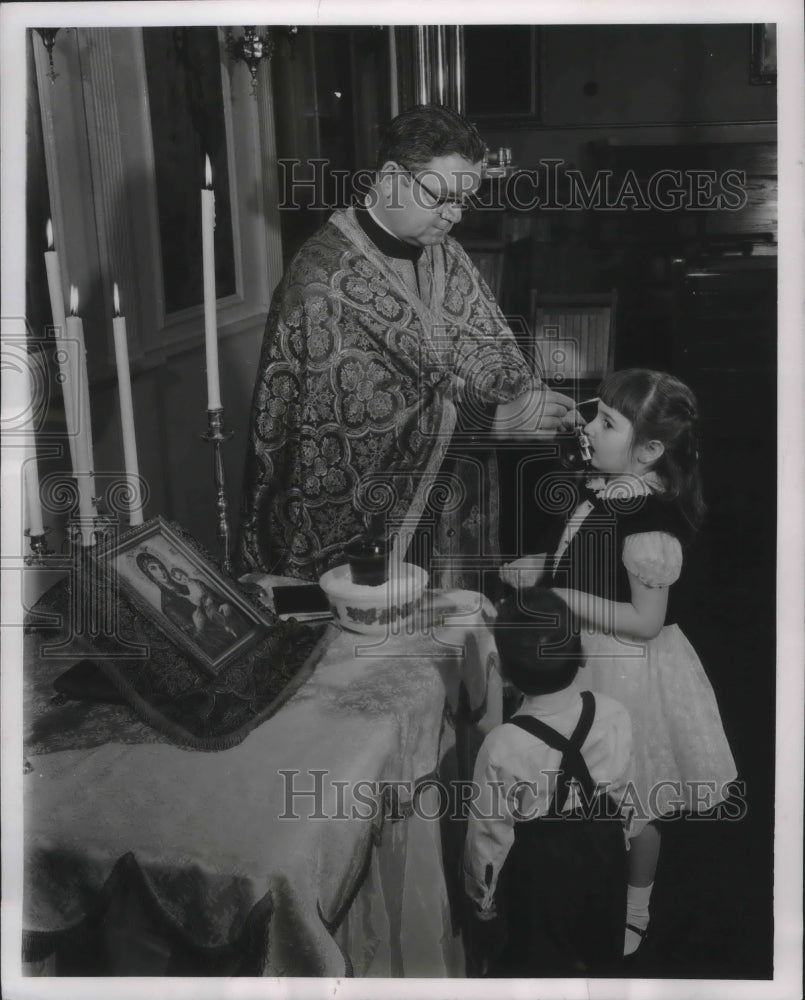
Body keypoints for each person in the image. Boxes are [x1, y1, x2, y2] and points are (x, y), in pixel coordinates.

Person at [237, 104, 575, 583]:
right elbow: (351, 427)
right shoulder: (321, 283)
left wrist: (528, 398)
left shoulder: (445, 253)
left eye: (464, 200)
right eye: (442, 198)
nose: (455, 215)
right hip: (376, 526)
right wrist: (489, 419)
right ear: (394, 178)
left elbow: (486, 342)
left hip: (454, 498)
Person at [499, 368, 738, 956]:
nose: (588, 428)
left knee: (634, 803)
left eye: (607, 423)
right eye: (595, 415)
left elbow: (646, 621)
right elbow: (585, 556)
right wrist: (542, 567)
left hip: (625, 668)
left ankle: (636, 906)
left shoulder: (651, 527)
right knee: (580, 784)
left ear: (650, 451)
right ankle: (578, 875)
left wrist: (562, 597)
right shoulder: (607, 488)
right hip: (586, 653)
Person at [463, 587, 634, 977]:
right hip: (605, 855)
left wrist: (482, 896)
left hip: (540, 876)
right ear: (582, 653)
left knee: (540, 964)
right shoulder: (614, 714)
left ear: (503, 673)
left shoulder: (502, 745)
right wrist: (619, 838)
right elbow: (624, 790)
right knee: (602, 954)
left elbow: (488, 833)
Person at [170, 566, 248, 640]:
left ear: (184, 573)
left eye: (181, 575)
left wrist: (210, 598)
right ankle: (228, 627)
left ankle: (229, 626)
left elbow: (209, 592)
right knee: (210, 613)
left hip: (214, 601)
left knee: (213, 611)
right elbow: (196, 603)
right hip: (204, 607)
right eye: (179, 579)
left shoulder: (197, 582)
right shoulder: (186, 589)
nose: (183, 579)